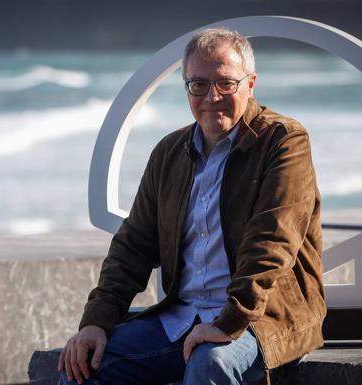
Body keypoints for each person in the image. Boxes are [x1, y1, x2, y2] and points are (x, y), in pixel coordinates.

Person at [57, 28, 326, 385]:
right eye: (198, 85)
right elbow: (133, 246)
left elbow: (272, 241)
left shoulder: (283, 140)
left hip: (261, 319)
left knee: (210, 364)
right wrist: (96, 322)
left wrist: (228, 322)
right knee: (84, 368)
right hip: (182, 318)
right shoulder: (169, 152)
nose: (212, 96)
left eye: (226, 83)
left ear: (251, 84)